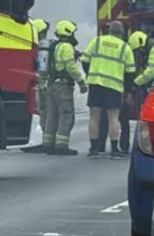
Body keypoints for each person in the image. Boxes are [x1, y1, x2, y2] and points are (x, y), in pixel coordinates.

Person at [82, 21, 136, 159]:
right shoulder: (125, 47)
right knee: (113, 118)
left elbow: (85, 60)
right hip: (114, 86)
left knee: (94, 116)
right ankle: (114, 149)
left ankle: (94, 148)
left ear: (109, 31)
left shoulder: (97, 41)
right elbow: (130, 72)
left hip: (96, 84)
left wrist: (90, 73)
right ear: (122, 33)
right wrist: (127, 90)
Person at [42, 20, 88, 155]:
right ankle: (61, 146)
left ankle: (48, 144)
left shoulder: (53, 46)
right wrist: (81, 82)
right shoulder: (67, 47)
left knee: (52, 115)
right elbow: (70, 67)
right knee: (66, 115)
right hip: (63, 86)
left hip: (51, 84)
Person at [22, 19, 51, 153]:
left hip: (30, 82)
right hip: (39, 84)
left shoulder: (30, 44)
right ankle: (37, 141)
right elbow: (43, 68)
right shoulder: (44, 47)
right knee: (41, 112)